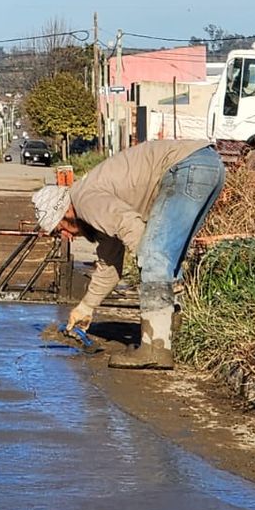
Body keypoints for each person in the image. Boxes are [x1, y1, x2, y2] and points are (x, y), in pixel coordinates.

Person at [32, 138, 225, 370]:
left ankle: (155, 349)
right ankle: (173, 338)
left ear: (65, 212)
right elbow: (110, 264)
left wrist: (149, 266)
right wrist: (85, 307)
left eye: (59, 229)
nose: (65, 236)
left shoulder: (85, 200)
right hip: (207, 165)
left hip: (186, 166)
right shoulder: (92, 209)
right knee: (169, 258)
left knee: (156, 257)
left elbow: (131, 226)